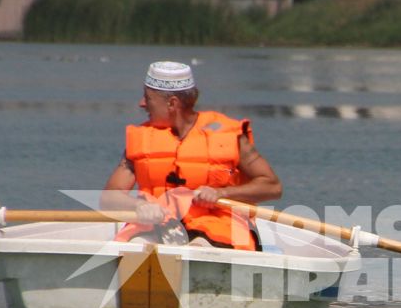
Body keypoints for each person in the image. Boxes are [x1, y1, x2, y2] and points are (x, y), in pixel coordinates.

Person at [102, 61, 281, 249]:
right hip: (158, 226)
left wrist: (222, 193)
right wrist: (138, 206)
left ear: (172, 103)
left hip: (215, 225)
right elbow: (109, 198)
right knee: (137, 247)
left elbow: (272, 186)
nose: (142, 104)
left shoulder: (229, 136)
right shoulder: (141, 139)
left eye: (148, 98)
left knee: (200, 249)